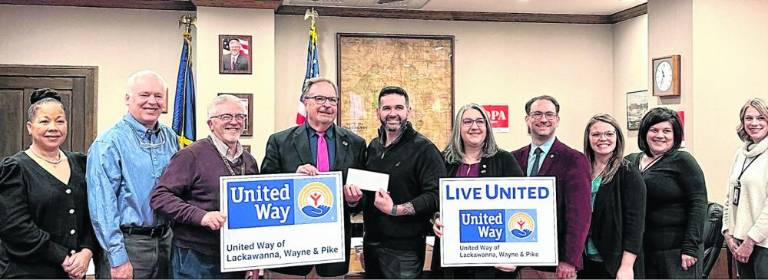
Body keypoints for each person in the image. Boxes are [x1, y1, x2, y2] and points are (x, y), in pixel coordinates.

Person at [261, 77, 366, 278]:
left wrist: (354, 200)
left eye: (332, 100)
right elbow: (265, 188)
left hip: (333, 254)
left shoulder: (355, 143)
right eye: (319, 98)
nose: (327, 105)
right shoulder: (280, 141)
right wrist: (292, 179)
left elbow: (364, 198)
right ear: (305, 102)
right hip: (290, 253)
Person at [151, 94, 260, 278]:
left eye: (240, 117)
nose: (234, 122)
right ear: (211, 124)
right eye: (226, 116)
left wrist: (252, 259)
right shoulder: (190, 155)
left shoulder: (249, 161)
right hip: (195, 257)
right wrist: (202, 216)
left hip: (235, 257)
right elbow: (160, 198)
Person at [87, 70, 179, 279]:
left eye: (158, 96)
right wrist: (118, 259)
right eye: (144, 95)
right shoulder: (108, 143)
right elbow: (102, 207)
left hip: (166, 241)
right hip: (128, 246)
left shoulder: (170, 137)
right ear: (127, 99)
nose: (152, 101)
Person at [347, 86, 446, 279]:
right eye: (387, 108)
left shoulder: (424, 149)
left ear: (409, 111)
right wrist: (353, 200)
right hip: (371, 244)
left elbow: (436, 195)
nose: (393, 113)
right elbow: (367, 195)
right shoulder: (373, 147)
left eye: (399, 107)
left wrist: (396, 209)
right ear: (378, 113)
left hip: (404, 251)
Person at [0, 89, 97, 278]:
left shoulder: (80, 163)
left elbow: (92, 214)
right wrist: (64, 258)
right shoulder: (15, 169)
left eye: (60, 121)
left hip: (75, 272)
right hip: (27, 272)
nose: (53, 127)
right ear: (29, 127)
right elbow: (16, 228)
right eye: (44, 121)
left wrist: (86, 251)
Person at [430, 103, 524, 278]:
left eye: (480, 121)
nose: (474, 126)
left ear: (487, 127)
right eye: (467, 122)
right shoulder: (443, 160)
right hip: (452, 259)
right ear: (459, 128)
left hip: (493, 262)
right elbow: (432, 200)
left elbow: (522, 207)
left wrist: (516, 256)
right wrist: (434, 219)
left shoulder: (505, 160)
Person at [511, 95, 591, 279]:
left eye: (549, 114)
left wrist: (569, 260)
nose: (543, 119)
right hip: (522, 262)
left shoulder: (574, 160)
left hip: (557, 265)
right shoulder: (514, 158)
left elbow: (580, 215)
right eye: (537, 114)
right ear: (527, 119)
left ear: (557, 120)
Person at [625, 107, 707, 278]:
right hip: (642, 250)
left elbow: (698, 204)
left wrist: (690, 247)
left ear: (675, 135)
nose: (660, 135)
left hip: (676, 253)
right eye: (654, 130)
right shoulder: (631, 161)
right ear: (644, 133)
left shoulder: (683, 161)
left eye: (666, 131)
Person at [578, 114, 646, 279]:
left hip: (615, 263)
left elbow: (635, 226)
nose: (603, 139)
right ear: (588, 138)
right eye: (596, 134)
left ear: (617, 138)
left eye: (609, 134)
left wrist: (626, 267)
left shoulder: (628, 172)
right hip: (585, 261)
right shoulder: (580, 169)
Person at [722, 98, 768, 278]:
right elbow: (729, 196)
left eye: (761, 118)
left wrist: (750, 242)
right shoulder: (741, 154)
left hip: (762, 245)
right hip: (739, 241)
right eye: (749, 118)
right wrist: (727, 232)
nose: (754, 123)